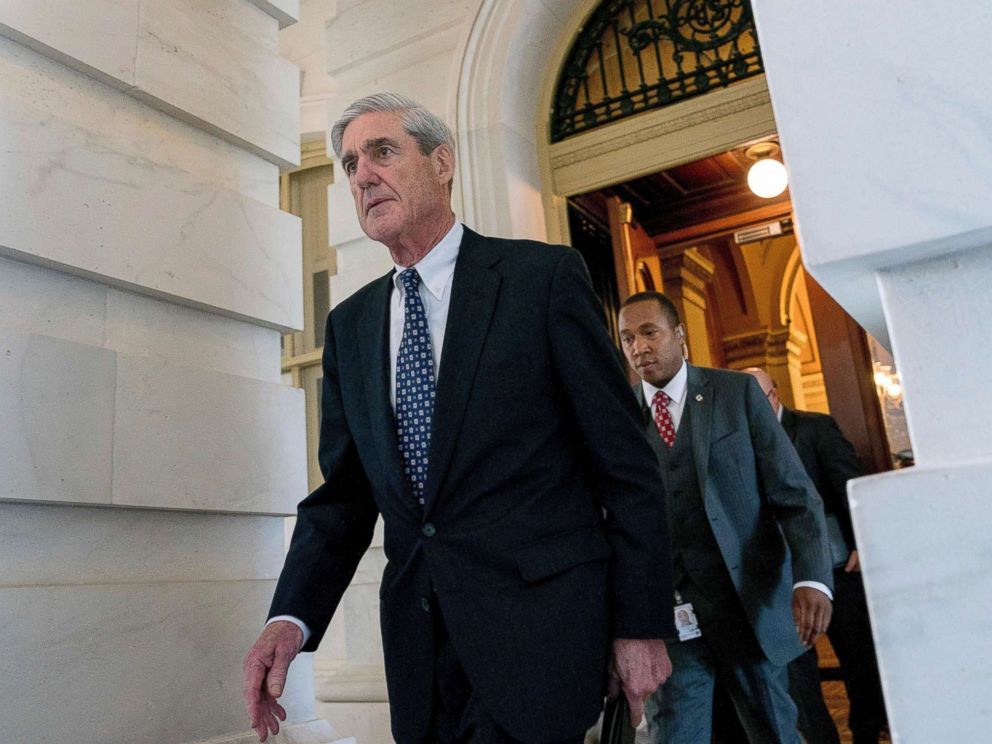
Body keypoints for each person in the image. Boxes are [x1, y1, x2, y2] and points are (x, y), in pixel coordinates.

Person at [241, 93, 677, 744]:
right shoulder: (351, 328)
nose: (361, 174)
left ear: (442, 162)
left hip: (542, 639)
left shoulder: (542, 281)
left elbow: (627, 468)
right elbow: (345, 499)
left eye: (382, 152)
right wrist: (292, 619)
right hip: (423, 656)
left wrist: (640, 623)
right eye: (350, 163)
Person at [617, 291, 834, 744]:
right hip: (671, 619)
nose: (639, 347)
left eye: (649, 332)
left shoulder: (736, 394)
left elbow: (795, 495)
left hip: (748, 607)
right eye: (627, 338)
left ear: (679, 334)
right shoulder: (617, 418)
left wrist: (811, 579)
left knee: (775, 732)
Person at [742, 368, 889, 744]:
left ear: (776, 394)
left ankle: (867, 731)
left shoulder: (815, 428)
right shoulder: (739, 442)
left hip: (837, 567)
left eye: (762, 397)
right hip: (780, 579)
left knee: (860, 658)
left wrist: (861, 540)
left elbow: (846, 484)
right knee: (797, 673)